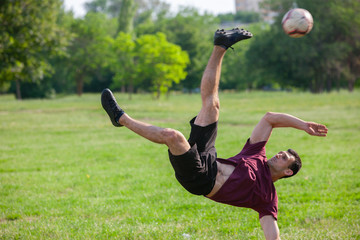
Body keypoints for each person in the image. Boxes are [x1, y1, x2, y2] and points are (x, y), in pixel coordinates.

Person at [101, 28, 328, 240]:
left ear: (288, 172)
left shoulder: (267, 197)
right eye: (281, 152)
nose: (279, 154)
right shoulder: (256, 154)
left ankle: (121, 118)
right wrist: (303, 124)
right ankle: (221, 45)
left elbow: (272, 233)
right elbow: (269, 118)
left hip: (201, 180)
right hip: (209, 158)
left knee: (174, 136)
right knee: (212, 105)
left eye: (284, 158)